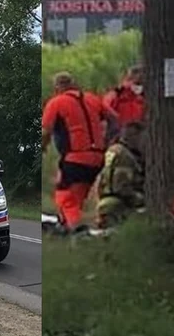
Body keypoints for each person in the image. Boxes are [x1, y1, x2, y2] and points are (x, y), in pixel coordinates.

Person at [41, 72, 117, 233]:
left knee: (64, 197)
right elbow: (114, 119)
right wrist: (109, 140)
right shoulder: (92, 99)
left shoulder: (56, 103)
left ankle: (79, 231)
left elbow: (45, 132)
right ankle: (67, 227)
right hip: (97, 157)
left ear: (57, 87)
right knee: (77, 196)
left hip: (75, 158)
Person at [96, 121, 145, 229]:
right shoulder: (125, 156)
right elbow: (121, 186)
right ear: (134, 136)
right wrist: (142, 200)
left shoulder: (112, 151)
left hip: (105, 203)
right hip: (118, 206)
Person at [103, 65, 145, 131]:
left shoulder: (145, 93)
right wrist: (116, 117)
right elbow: (105, 105)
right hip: (121, 130)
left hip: (140, 129)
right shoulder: (119, 92)